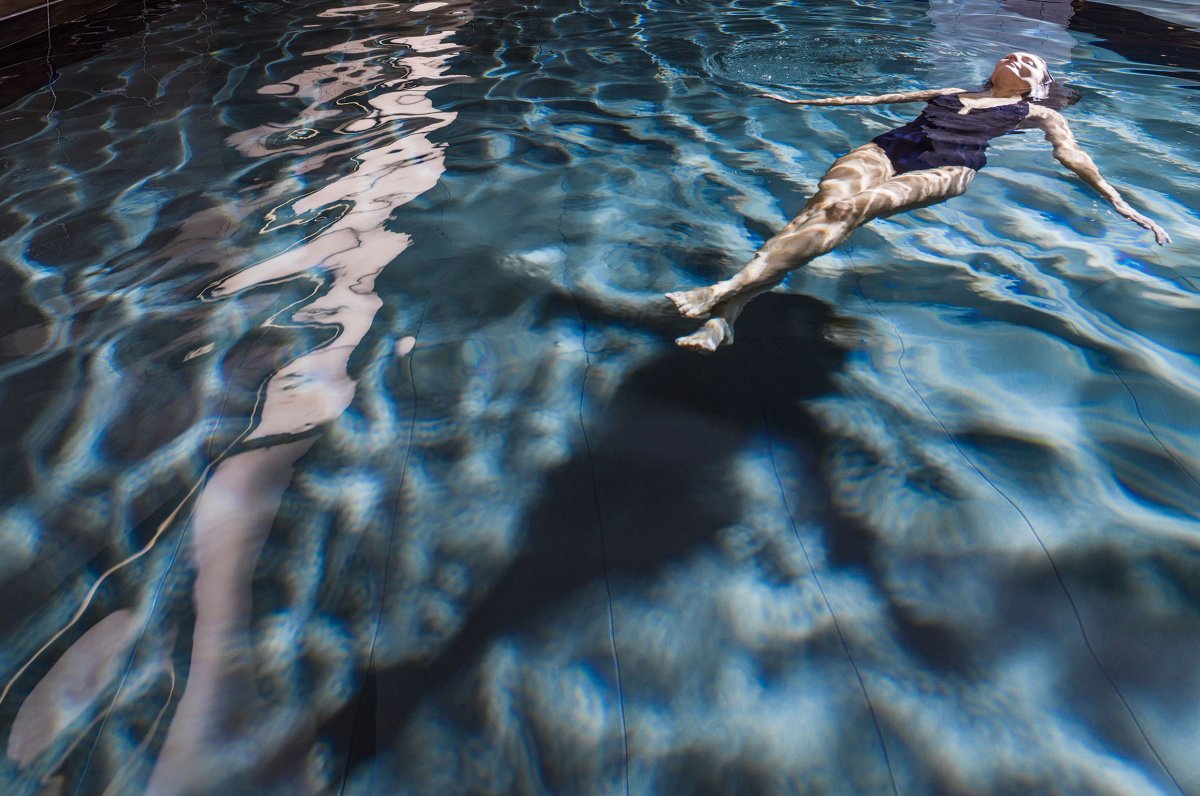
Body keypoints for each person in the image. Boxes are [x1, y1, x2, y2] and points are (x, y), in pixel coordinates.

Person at [665, 51, 1171, 352]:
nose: (1016, 58)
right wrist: (799, 101)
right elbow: (873, 101)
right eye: (1012, 55)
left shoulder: (1033, 114)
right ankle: (728, 317)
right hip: (889, 148)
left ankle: (727, 289)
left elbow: (1074, 158)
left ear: (1037, 86)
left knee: (845, 212)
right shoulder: (952, 90)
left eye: (1029, 63)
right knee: (818, 209)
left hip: (949, 168)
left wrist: (1120, 202)